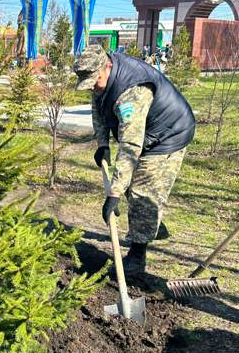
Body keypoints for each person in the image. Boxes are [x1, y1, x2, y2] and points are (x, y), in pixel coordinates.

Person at [73, 44, 195, 276]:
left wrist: (114, 193)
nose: (94, 89)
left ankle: (137, 258)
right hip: (148, 133)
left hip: (168, 135)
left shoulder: (132, 92)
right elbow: (97, 109)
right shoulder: (103, 81)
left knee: (142, 191)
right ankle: (149, 221)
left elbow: (130, 146)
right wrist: (102, 144)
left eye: (95, 82)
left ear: (107, 67)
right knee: (137, 192)